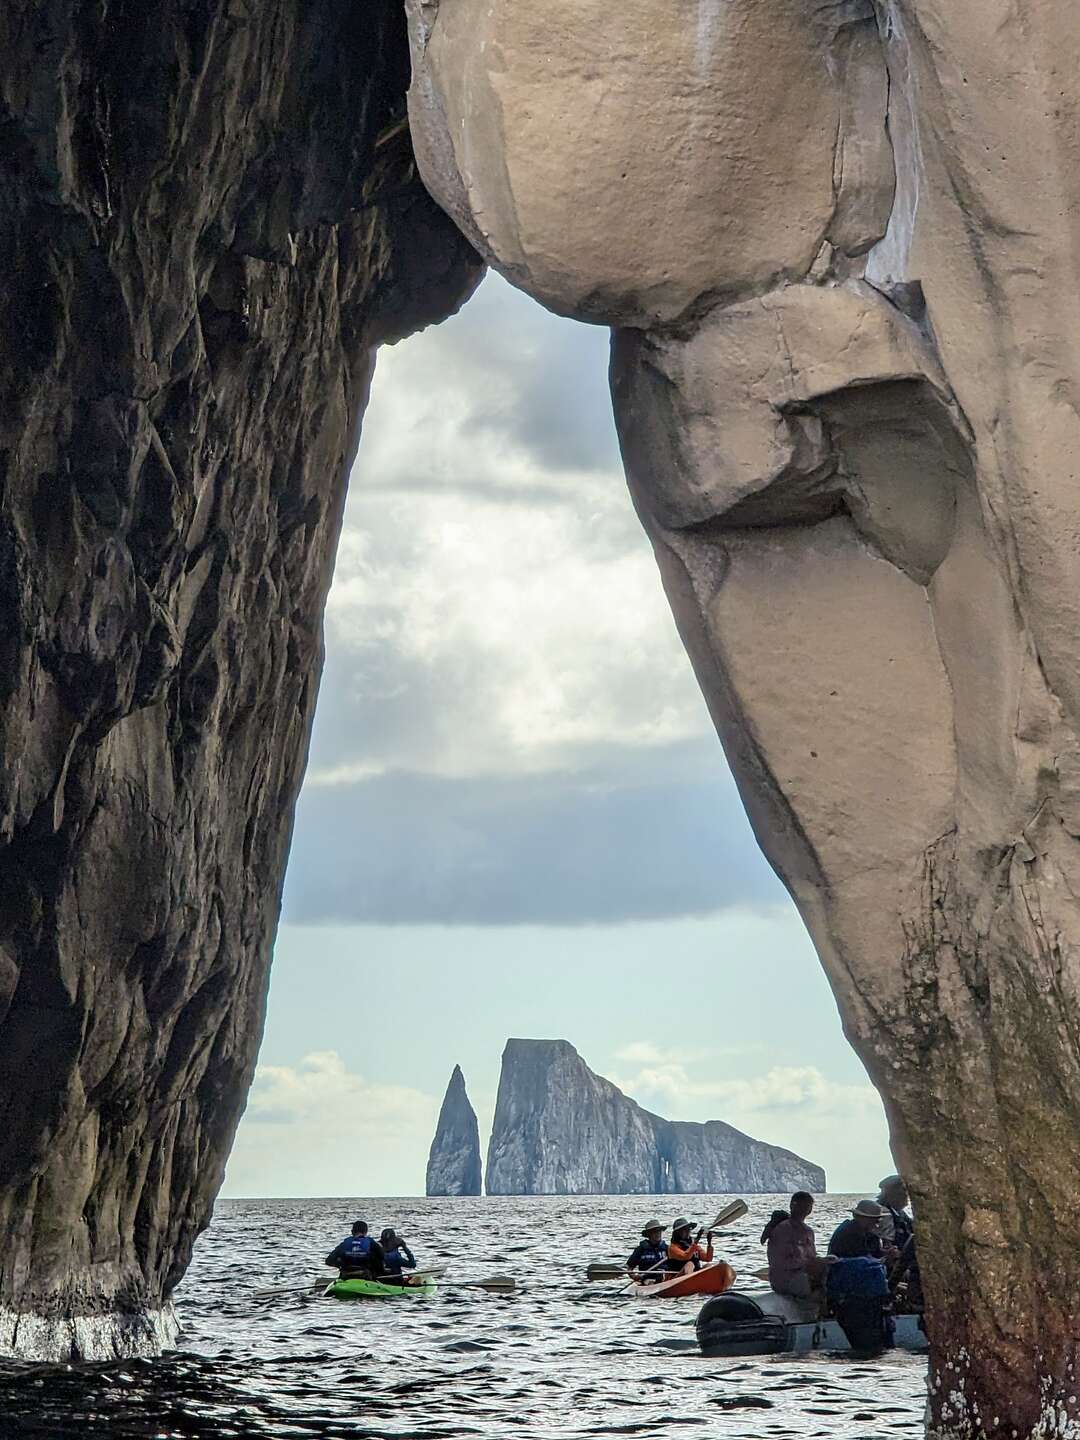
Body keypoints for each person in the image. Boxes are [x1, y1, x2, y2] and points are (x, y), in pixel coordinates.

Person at [766, 1192, 832, 1298]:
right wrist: (807, 1265)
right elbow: (778, 1261)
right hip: (786, 1279)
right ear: (792, 1205)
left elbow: (811, 1257)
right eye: (801, 1205)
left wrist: (820, 1262)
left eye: (807, 1206)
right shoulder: (782, 1230)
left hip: (803, 1274)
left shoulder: (808, 1231)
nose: (804, 1208)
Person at [876, 1175, 914, 1253]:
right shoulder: (884, 1212)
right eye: (904, 1193)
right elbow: (886, 1242)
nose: (907, 1197)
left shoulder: (899, 1212)